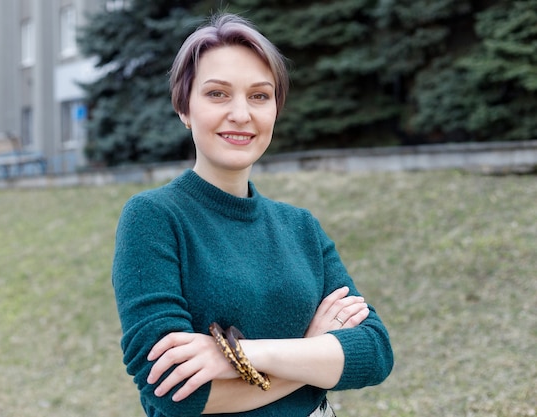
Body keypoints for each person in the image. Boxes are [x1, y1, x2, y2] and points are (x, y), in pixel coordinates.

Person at [111, 13, 393, 417]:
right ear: (183, 107)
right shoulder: (154, 218)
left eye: (259, 96)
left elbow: (375, 352)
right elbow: (175, 393)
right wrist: (315, 351)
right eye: (217, 94)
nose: (241, 114)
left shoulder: (301, 228)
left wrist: (238, 355)